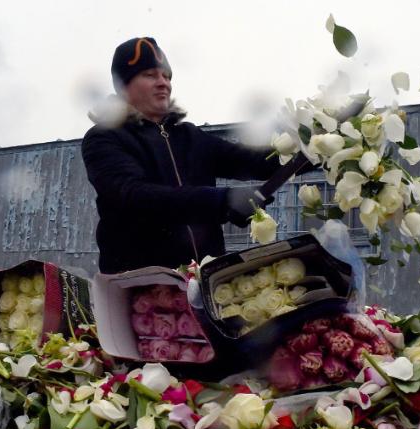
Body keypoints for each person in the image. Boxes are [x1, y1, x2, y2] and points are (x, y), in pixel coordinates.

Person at [81, 36, 280, 274]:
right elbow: (135, 195)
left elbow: (256, 162)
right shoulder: (105, 138)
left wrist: (316, 142)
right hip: (143, 287)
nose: (163, 82)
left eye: (166, 76)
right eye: (150, 75)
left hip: (205, 283)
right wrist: (220, 200)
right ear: (124, 85)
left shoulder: (191, 137)